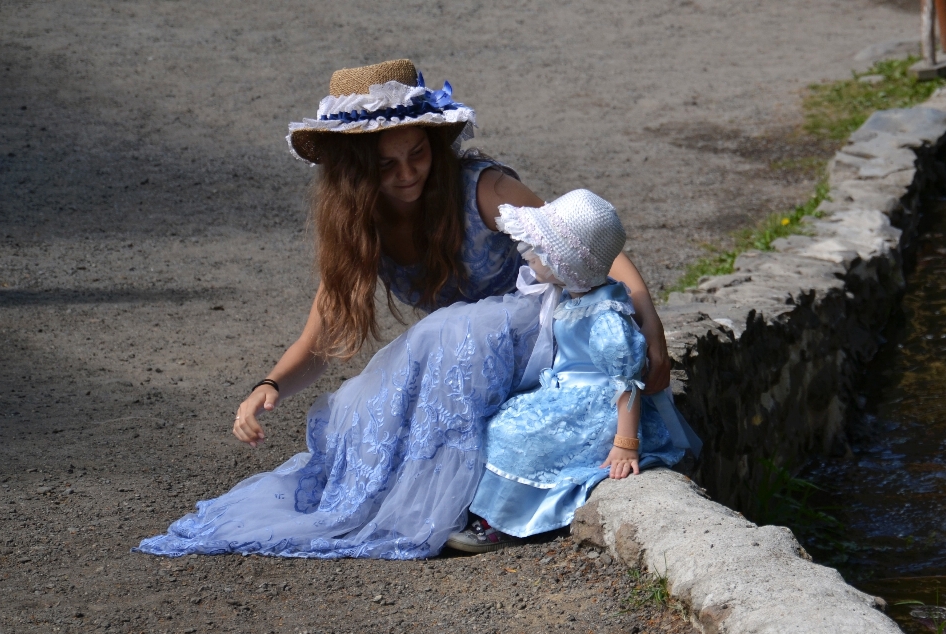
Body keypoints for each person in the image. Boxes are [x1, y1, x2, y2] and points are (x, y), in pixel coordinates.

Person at [134, 59, 671, 559]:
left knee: (441, 336)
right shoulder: (360, 226)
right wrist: (268, 386)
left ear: (435, 143)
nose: (408, 173)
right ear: (355, 170)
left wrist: (653, 336)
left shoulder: (479, 188)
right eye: (386, 164)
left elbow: (587, 247)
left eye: (418, 153)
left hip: (541, 337)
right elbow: (321, 338)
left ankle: (482, 505)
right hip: (465, 364)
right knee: (379, 416)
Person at [446, 190, 703, 554]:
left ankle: (503, 521)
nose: (529, 255)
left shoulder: (606, 319)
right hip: (564, 394)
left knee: (524, 439)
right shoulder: (576, 296)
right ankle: (485, 509)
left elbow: (627, 383)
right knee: (500, 423)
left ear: (567, 264)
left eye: (539, 250)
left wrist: (626, 444)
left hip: (594, 409)